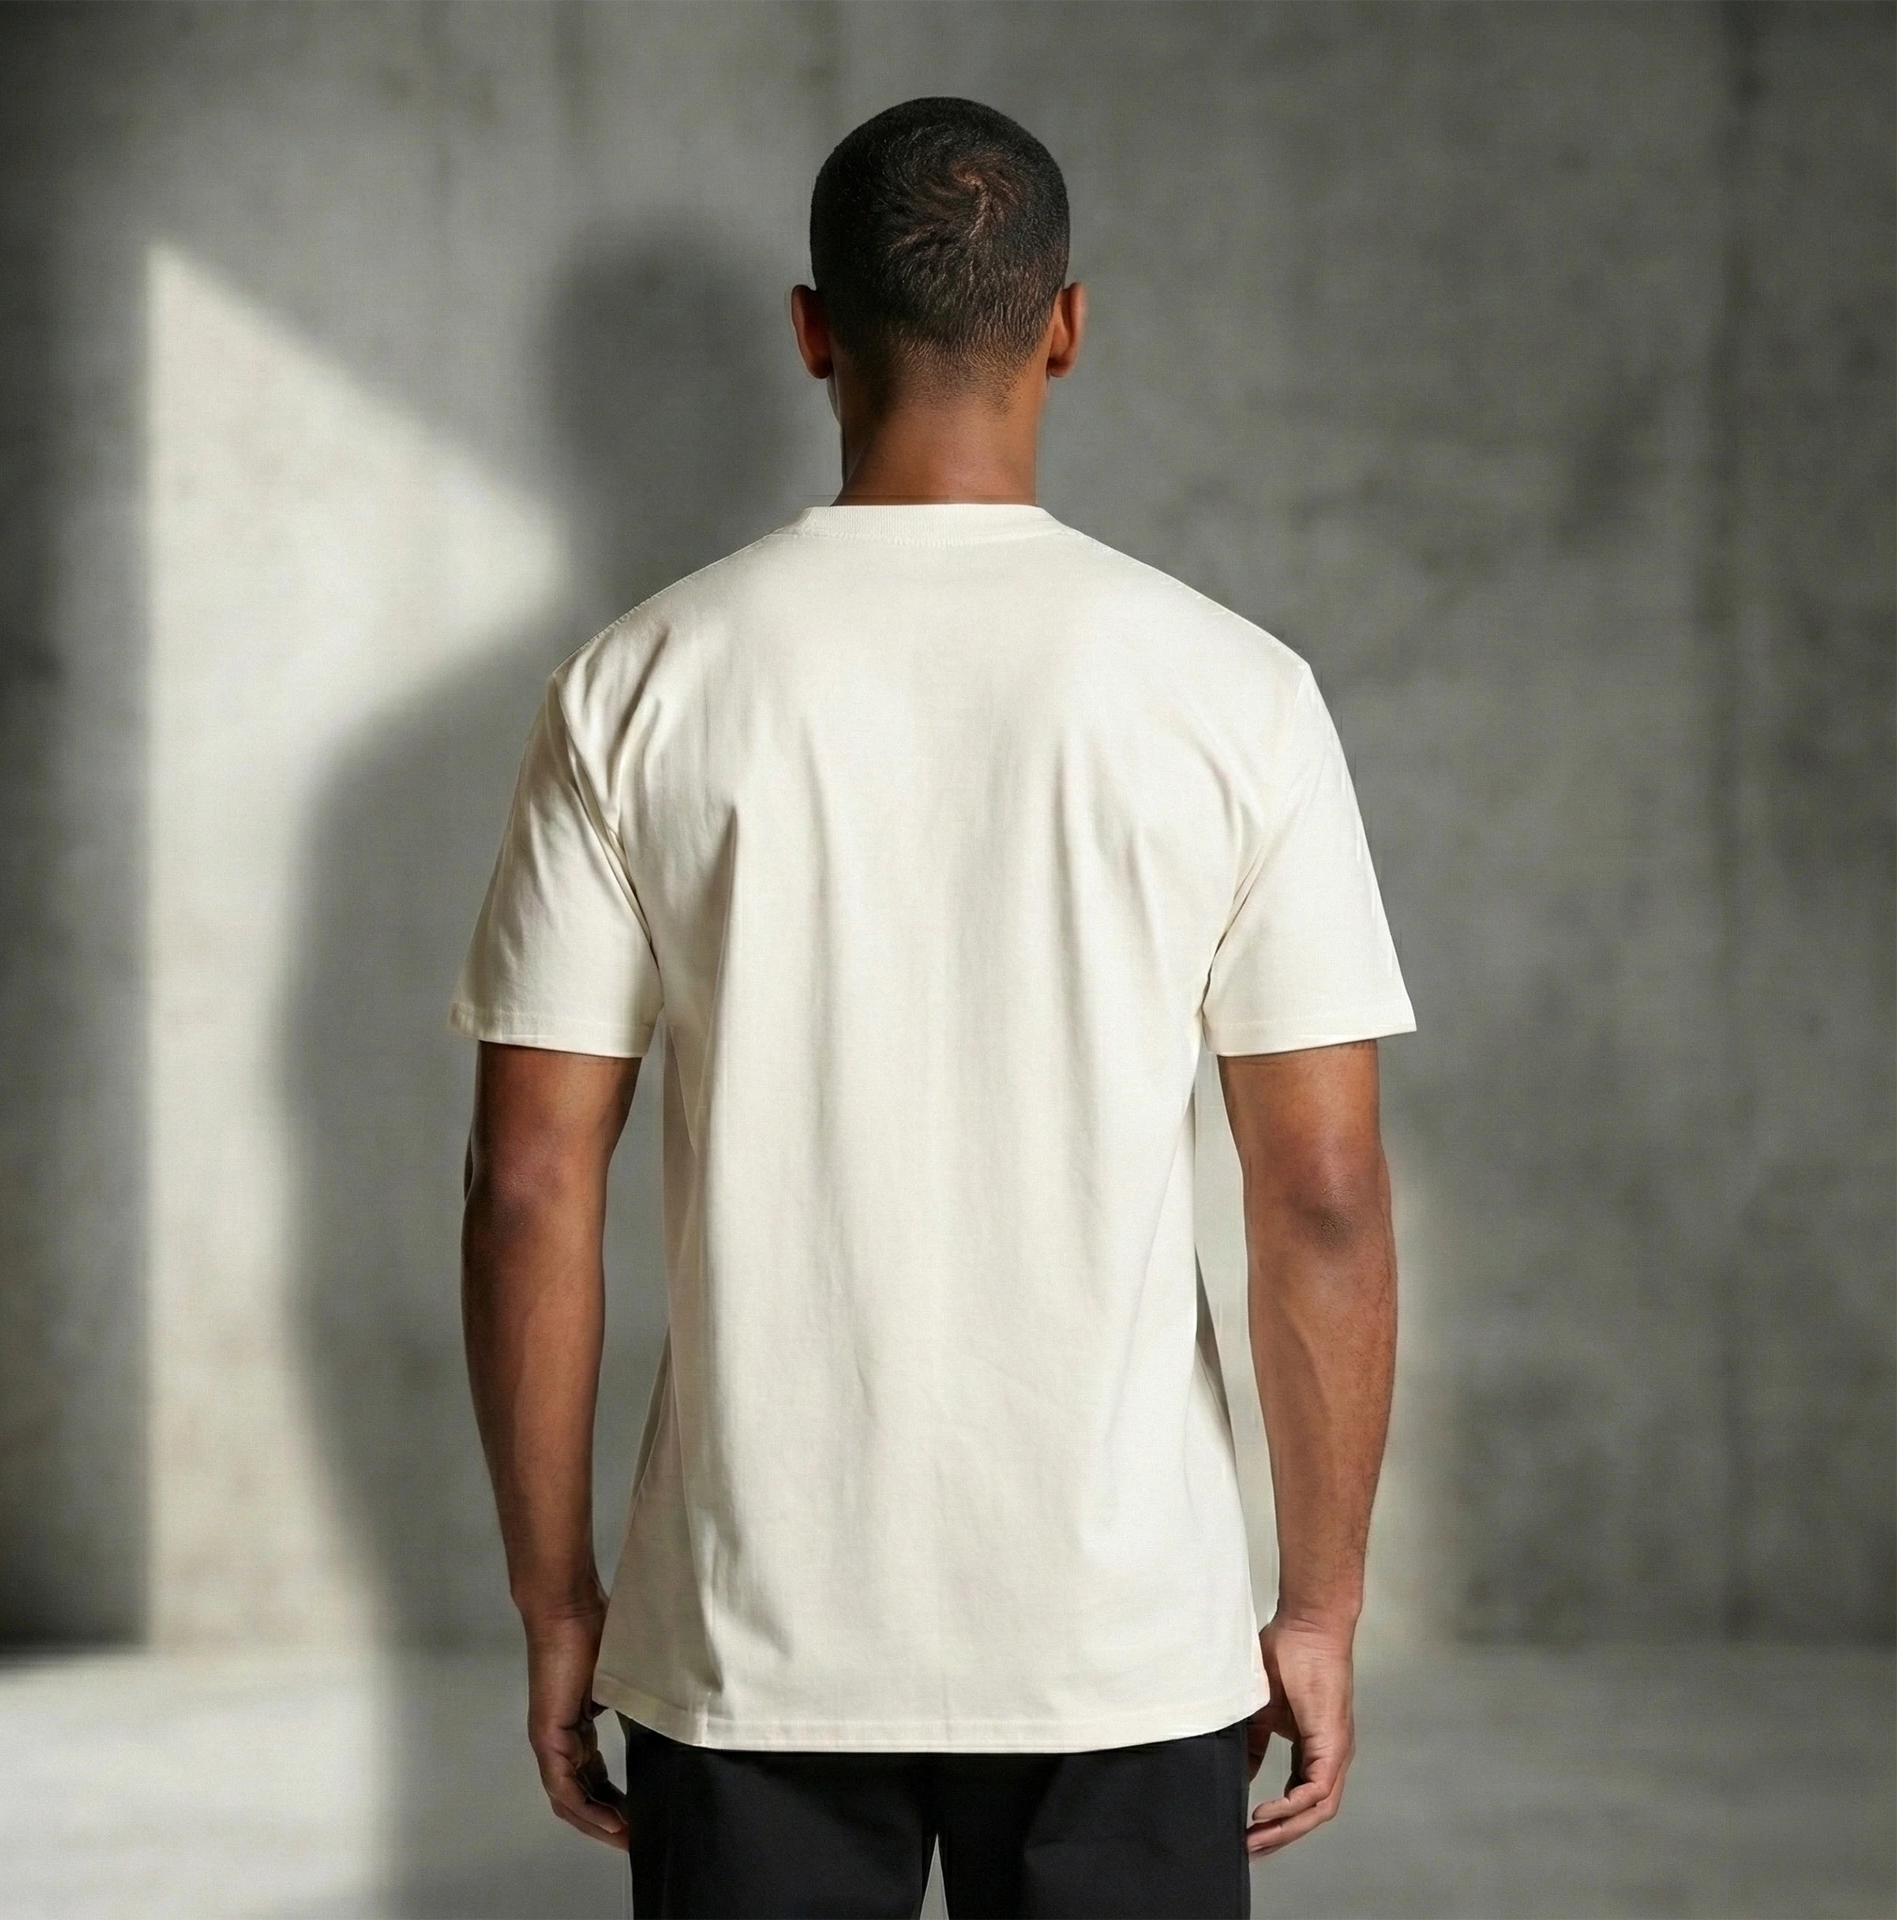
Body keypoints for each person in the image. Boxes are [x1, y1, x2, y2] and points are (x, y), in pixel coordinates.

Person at [452, 95, 1415, 1920]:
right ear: (1067, 325)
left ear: (813, 330)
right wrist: (1321, 1601)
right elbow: (1322, 1194)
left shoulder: (637, 685)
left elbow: (528, 1183)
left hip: (749, 1635)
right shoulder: (1235, 694)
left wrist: (557, 1598)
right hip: (1123, 1642)